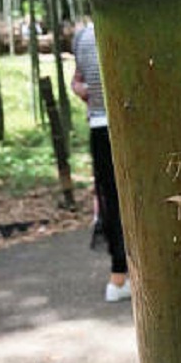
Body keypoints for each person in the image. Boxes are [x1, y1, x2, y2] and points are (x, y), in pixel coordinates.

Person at [71, 20, 130, 303]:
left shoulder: (81, 36)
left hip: (98, 125)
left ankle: (119, 277)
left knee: (111, 199)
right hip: (128, 127)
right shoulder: (127, 28)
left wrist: (90, 94)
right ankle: (129, 274)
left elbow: (78, 83)